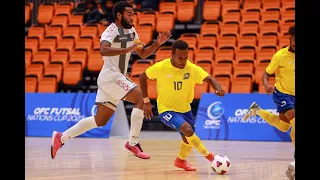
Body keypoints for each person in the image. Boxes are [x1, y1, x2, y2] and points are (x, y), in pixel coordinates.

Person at [51, 1, 171, 160]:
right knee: (140, 97)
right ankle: (132, 143)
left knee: (100, 120)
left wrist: (158, 43)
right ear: (119, 15)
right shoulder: (111, 30)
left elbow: (142, 54)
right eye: (129, 14)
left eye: (133, 14)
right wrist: (127, 50)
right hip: (111, 76)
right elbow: (103, 49)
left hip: (113, 78)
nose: (132, 17)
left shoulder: (132, 32)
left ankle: (61, 138)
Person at [139, 40, 226, 171]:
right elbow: (142, 77)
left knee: (188, 139)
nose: (183, 61)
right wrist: (146, 101)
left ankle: (180, 161)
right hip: (166, 110)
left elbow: (210, 79)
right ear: (172, 55)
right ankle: (211, 158)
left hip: (186, 110)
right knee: (188, 130)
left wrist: (218, 88)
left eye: (186, 57)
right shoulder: (161, 67)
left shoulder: (191, 68)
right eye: (180, 58)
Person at [242, 25, 295, 180]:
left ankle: (257, 111)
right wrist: (266, 84)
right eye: (294, 40)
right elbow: (266, 74)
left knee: (284, 125)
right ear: (290, 39)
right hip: (283, 94)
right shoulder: (280, 56)